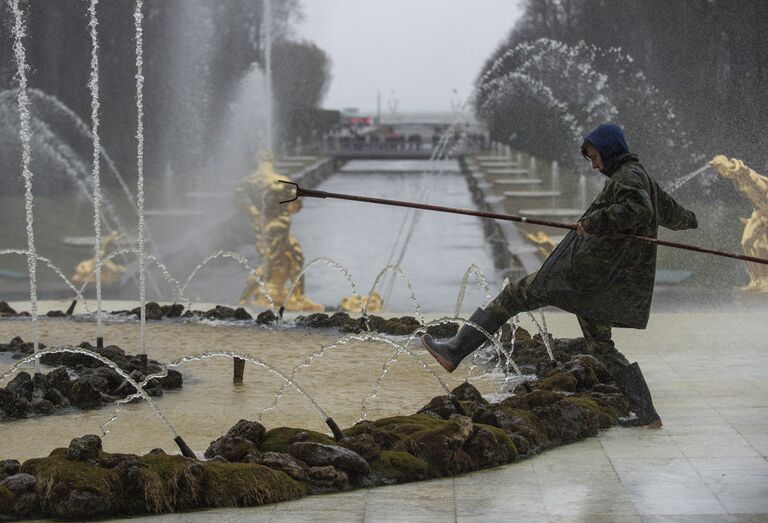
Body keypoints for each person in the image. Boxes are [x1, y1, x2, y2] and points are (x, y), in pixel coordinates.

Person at [421, 123, 698, 428]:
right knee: (601, 346)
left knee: (514, 295)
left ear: (609, 150)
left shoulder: (628, 177)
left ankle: (455, 350)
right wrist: (691, 220)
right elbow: (668, 211)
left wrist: (595, 221)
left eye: (595, 157)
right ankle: (647, 413)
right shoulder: (638, 174)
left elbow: (639, 210)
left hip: (583, 274)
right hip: (599, 280)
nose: (593, 165)